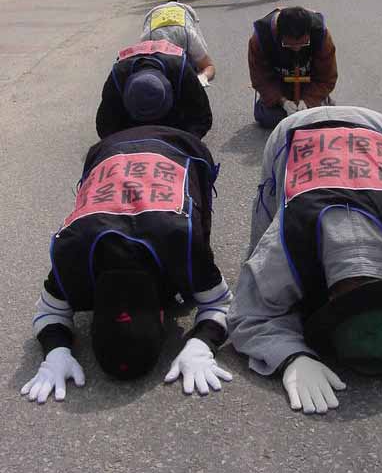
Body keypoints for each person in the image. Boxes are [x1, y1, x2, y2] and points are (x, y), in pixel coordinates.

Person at [227, 106, 382, 414]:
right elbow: (247, 311)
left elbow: (249, 315)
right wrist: (291, 356)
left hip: (377, 133)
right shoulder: (289, 238)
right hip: (297, 132)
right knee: (263, 233)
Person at [21, 125, 233, 404]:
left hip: (177, 145)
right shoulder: (74, 253)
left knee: (197, 224)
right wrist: (56, 352)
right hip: (111, 149)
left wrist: (203, 342)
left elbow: (221, 303)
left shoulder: (181, 242)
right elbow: (220, 305)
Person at [96, 38, 212, 140]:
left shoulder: (181, 70)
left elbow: (202, 117)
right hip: (132, 125)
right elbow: (105, 127)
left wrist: (182, 142)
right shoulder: (118, 76)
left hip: (174, 121)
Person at [249, 7, 337, 129]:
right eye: (289, 44)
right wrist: (282, 101)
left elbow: (327, 76)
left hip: (310, 86)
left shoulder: (320, 34)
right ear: (280, 34)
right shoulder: (261, 38)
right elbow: (260, 78)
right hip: (279, 87)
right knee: (269, 118)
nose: (297, 49)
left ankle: (318, 105)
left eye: (303, 43)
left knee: (322, 118)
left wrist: (308, 101)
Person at [141, 1, 216, 87]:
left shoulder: (188, 35)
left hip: (184, 15)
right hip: (153, 16)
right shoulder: (148, 39)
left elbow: (208, 66)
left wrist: (202, 77)